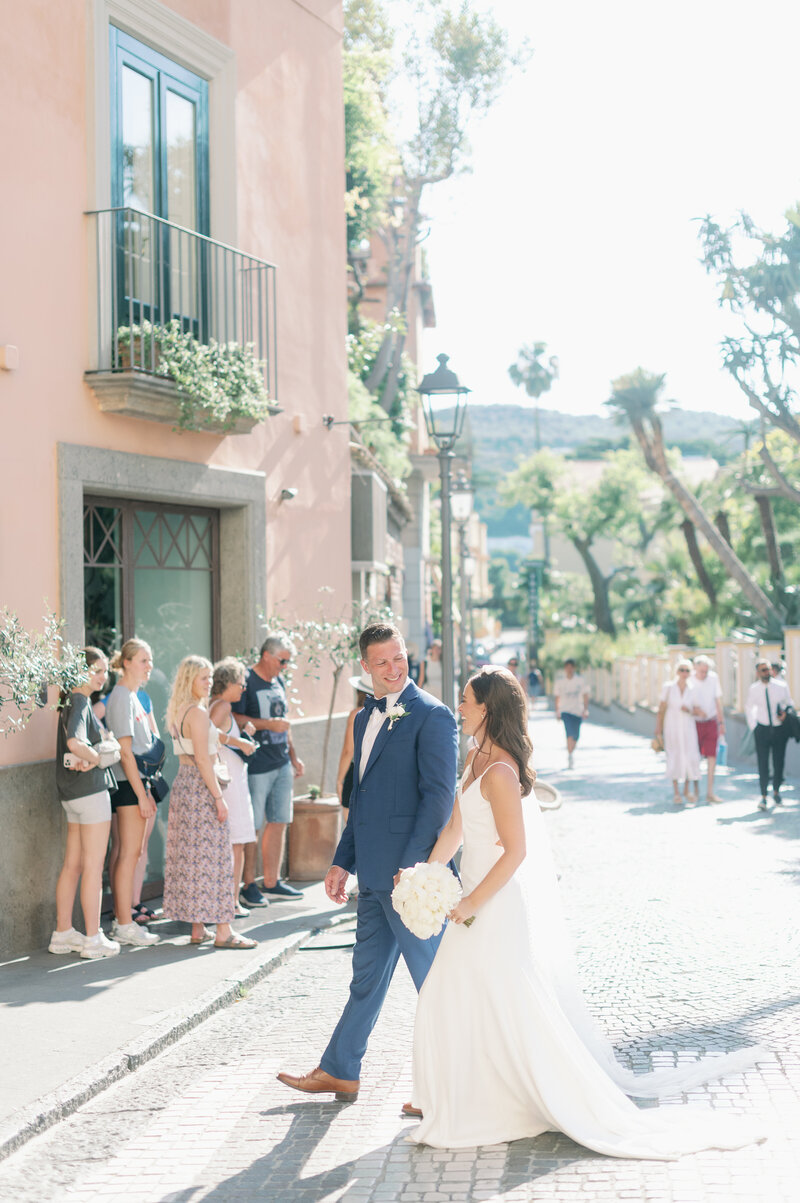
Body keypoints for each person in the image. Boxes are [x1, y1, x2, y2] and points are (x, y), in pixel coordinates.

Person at [406, 666, 767, 1156]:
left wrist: (471, 901)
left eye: (466, 700)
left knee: (503, 1001)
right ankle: (470, 1096)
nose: (460, 708)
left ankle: (520, 1099)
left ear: (487, 709)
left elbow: (515, 851)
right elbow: (454, 830)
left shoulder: (501, 771)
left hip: (492, 904)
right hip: (469, 900)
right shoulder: (473, 757)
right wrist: (423, 875)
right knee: (451, 997)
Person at [276, 622, 458, 1101]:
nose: (395, 668)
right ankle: (340, 1069)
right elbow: (363, 798)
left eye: (400, 658)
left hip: (410, 883)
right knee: (366, 979)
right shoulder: (361, 720)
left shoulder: (433, 716)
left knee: (435, 984)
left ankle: (460, 1087)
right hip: (374, 879)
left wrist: (414, 869)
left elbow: (439, 800)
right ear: (366, 666)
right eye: (384, 662)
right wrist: (342, 861)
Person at [164, 655, 257, 950]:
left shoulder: (179, 711)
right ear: (189, 680)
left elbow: (207, 742)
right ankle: (223, 931)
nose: (209, 683)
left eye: (209, 678)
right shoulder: (198, 714)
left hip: (184, 784)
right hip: (202, 786)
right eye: (203, 678)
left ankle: (197, 928)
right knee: (216, 859)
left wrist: (238, 741)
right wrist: (218, 798)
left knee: (192, 858)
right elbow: (204, 759)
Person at [50, 648, 120, 959]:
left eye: (105, 671)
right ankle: (93, 938)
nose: (103, 677)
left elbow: (75, 746)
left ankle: (63, 933)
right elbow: (74, 744)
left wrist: (90, 759)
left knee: (74, 864)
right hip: (90, 795)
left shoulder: (71, 701)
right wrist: (99, 760)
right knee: (93, 865)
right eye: (97, 671)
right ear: (81, 672)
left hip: (72, 794)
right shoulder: (79, 700)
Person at [233, 636, 306, 905]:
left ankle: (272, 881)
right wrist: (267, 725)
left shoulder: (279, 681)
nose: (284, 666)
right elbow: (236, 718)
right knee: (251, 827)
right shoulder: (247, 681)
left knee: (279, 821)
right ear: (266, 655)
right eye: (282, 660)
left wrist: (294, 757)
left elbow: (284, 724)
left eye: (287, 662)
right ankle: (249, 884)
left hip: (281, 762)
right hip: (256, 765)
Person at [104, 639, 160, 947]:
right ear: (126, 662)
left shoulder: (133, 696)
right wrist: (142, 795)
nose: (148, 665)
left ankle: (122, 920)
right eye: (142, 660)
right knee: (129, 854)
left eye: (150, 660)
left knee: (128, 853)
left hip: (135, 783)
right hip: (128, 785)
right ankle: (124, 923)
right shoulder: (122, 696)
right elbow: (126, 752)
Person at [209, 657, 258, 917]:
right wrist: (241, 743)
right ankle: (232, 901)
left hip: (228, 778)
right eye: (240, 683)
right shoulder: (223, 705)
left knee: (232, 842)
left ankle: (229, 899)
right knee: (235, 843)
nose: (243, 688)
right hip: (230, 782)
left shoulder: (216, 705)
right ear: (227, 683)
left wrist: (243, 734)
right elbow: (208, 734)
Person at [746, 658, 793, 812]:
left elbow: (789, 703)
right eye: (763, 670)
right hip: (762, 729)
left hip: (779, 730)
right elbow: (749, 707)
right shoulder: (754, 689)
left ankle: (777, 791)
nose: (767, 672)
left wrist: (785, 713)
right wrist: (754, 726)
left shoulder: (781, 686)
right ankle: (764, 796)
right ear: (758, 673)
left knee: (779, 762)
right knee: (763, 763)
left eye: (768, 669)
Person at [654, 659, 701, 805]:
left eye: (687, 670)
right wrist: (658, 729)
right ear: (676, 671)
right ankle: (676, 792)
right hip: (672, 727)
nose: (684, 673)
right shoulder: (668, 687)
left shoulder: (693, 688)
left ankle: (686, 789)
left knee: (690, 756)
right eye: (682, 670)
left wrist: (690, 710)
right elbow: (661, 709)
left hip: (688, 728)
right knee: (673, 755)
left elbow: (698, 710)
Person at [690, 655, 726, 803]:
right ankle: (696, 791)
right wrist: (695, 710)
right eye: (701, 671)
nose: (704, 674)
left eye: (706, 671)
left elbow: (718, 700)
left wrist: (721, 722)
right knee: (694, 757)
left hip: (711, 721)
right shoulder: (689, 679)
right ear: (695, 668)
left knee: (712, 756)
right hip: (694, 723)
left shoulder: (713, 678)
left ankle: (710, 792)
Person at [335, 673, 374, 809]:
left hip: (357, 773)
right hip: (380, 773)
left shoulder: (357, 714)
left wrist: (340, 780)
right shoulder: (389, 712)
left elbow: (348, 751)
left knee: (354, 827)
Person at [553, 659, 589, 769]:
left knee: (576, 736)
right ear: (565, 669)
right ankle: (570, 755)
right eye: (567, 667)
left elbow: (585, 695)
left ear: (574, 668)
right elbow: (557, 697)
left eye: (571, 667)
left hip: (577, 711)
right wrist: (557, 711)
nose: (569, 669)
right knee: (569, 734)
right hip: (565, 711)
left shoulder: (580, 680)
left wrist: (585, 709)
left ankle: (571, 751)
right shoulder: (560, 682)